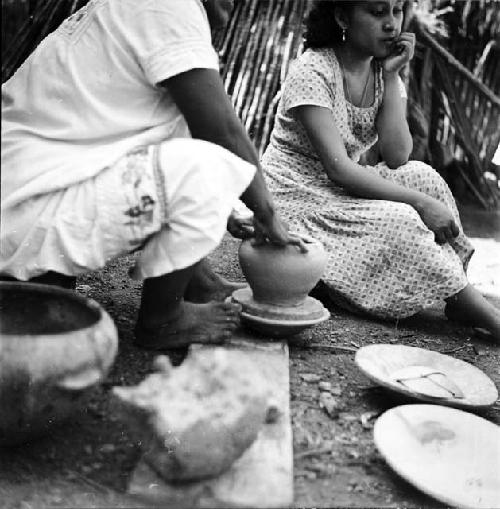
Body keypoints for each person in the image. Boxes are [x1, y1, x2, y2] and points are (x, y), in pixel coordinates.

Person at [1, 0, 304, 349]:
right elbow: (221, 131)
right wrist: (266, 213)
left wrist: (231, 207)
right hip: (25, 210)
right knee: (206, 168)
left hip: (24, 200)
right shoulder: (170, 6)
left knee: (191, 154)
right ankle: (163, 320)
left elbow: (152, 138)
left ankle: (199, 283)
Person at [261, 0, 500, 340]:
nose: (391, 24)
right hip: (297, 197)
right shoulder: (312, 71)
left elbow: (398, 154)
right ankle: (477, 307)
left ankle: (455, 291)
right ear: (343, 16)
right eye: (377, 13)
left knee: (423, 177)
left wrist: (391, 75)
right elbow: (339, 169)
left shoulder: (380, 72)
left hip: (339, 193)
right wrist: (419, 204)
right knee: (401, 219)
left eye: (397, 10)